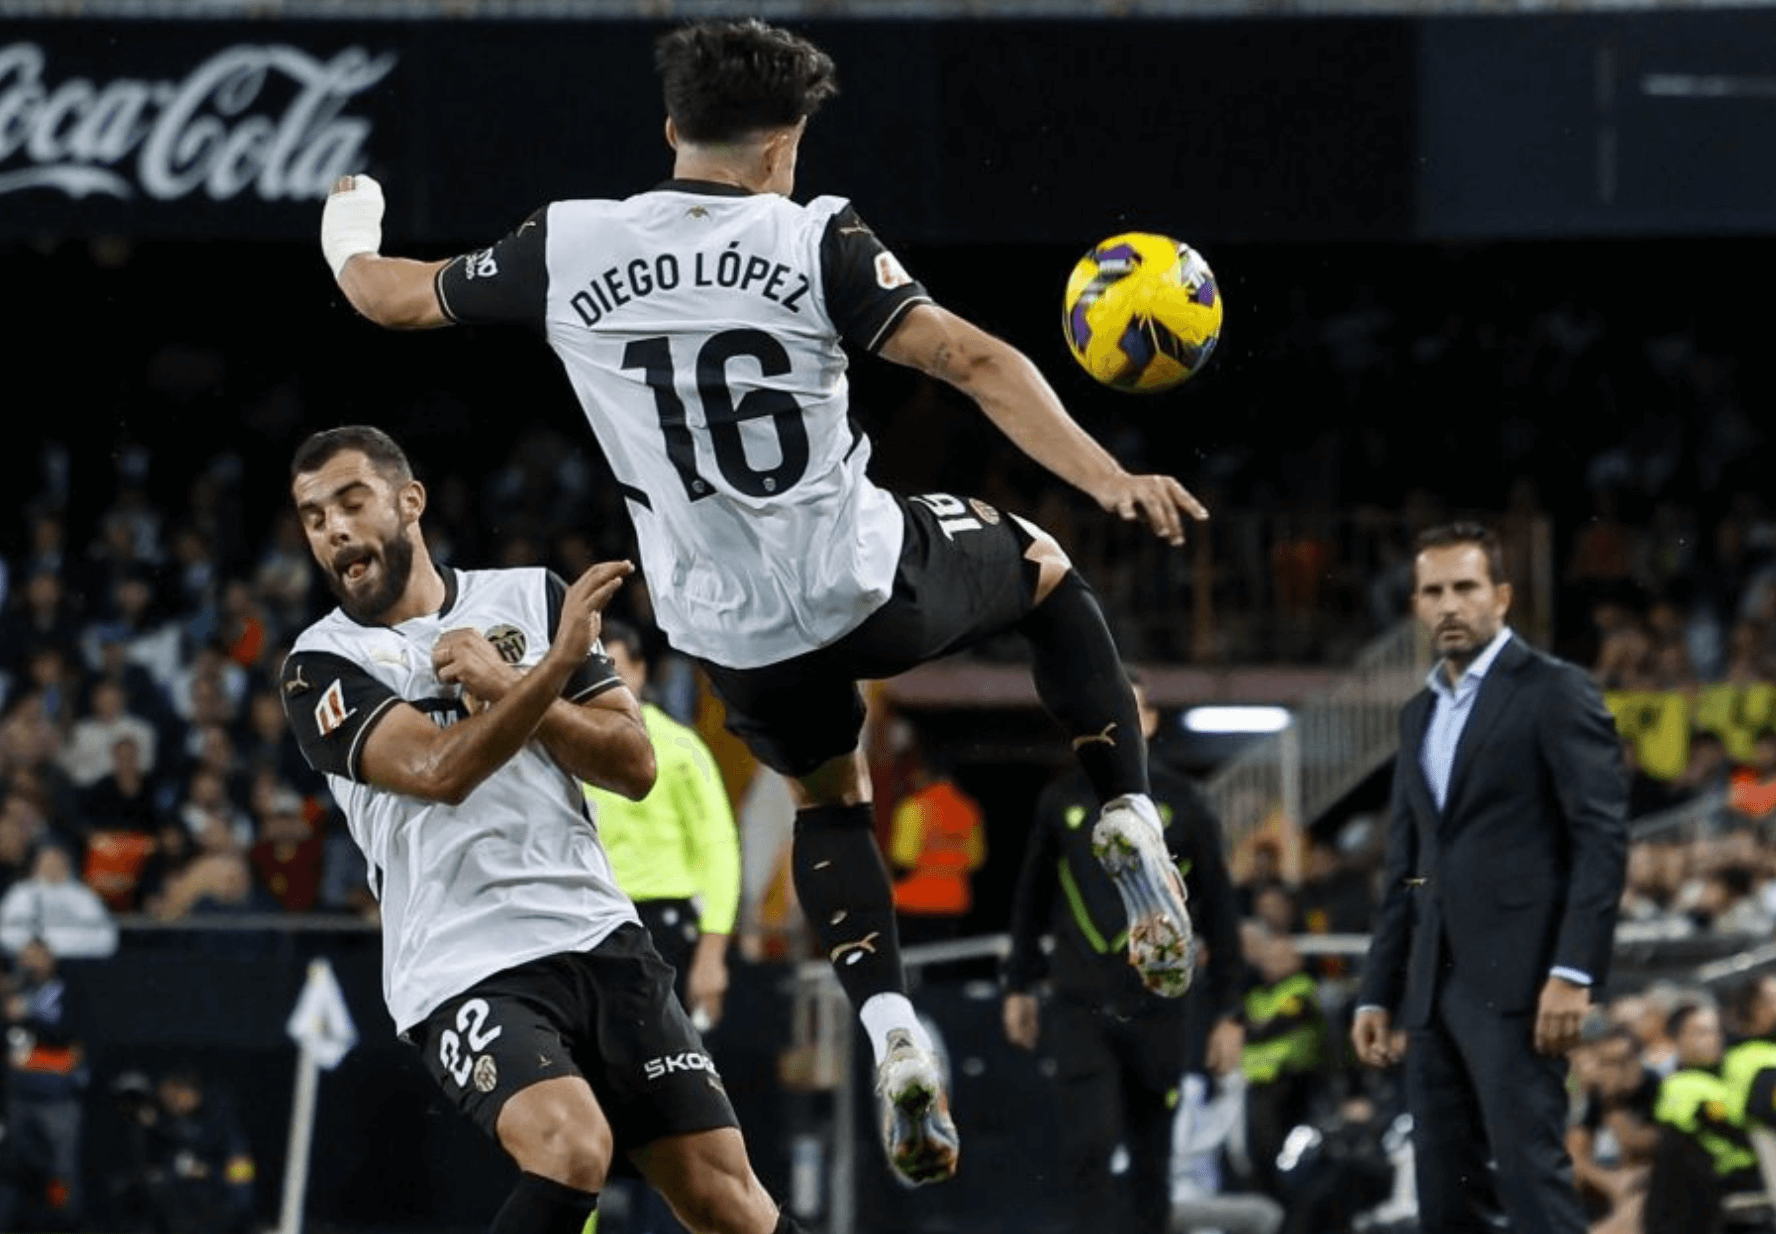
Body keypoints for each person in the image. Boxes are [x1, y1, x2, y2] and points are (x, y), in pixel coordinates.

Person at [318, 16, 1205, 1186]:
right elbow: (976, 361)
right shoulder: (814, 237)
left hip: (725, 624)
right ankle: (1126, 811)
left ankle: (890, 1026)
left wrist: (350, 218)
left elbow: (388, 300)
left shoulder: (573, 244)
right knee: (1043, 567)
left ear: (673, 128)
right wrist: (1112, 477)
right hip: (859, 579)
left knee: (828, 800)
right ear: (787, 145)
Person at [279, 426, 807, 1234]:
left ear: (409, 501)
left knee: (730, 1203)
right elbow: (436, 772)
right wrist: (551, 671)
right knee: (571, 1147)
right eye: (315, 518)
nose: (335, 529)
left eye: (352, 502)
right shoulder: (320, 662)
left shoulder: (530, 596)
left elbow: (632, 763)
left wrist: (508, 679)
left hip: (600, 936)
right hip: (464, 962)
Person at [1351, 521, 1629, 1234]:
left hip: (1524, 984)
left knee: (1534, 1185)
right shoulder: (1418, 715)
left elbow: (1601, 838)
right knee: (1446, 1202)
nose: (1450, 604)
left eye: (1465, 587)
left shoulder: (1555, 691)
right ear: (1415, 604)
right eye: (1433, 590)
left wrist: (1573, 970)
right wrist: (1377, 990)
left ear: (1501, 597)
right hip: (1430, 989)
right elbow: (1406, 867)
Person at [1002, 673, 1243, 1234]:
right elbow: (1030, 899)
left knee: (1152, 1157)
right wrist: (1019, 984)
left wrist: (1231, 1011)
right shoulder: (1059, 801)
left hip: (1159, 1007)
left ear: (1151, 721)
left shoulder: (1184, 803)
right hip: (1079, 1003)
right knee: (1091, 1142)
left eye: (1129, 709)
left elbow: (1222, 912)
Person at [583, 620, 743, 1234]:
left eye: (618, 665)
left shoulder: (677, 748)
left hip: (664, 930)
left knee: (670, 1099)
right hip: (592, 929)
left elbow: (720, 852)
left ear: (643, 673)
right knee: (582, 1095)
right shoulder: (569, 748)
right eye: (596, 667)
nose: (607, 678)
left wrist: (712, 952)